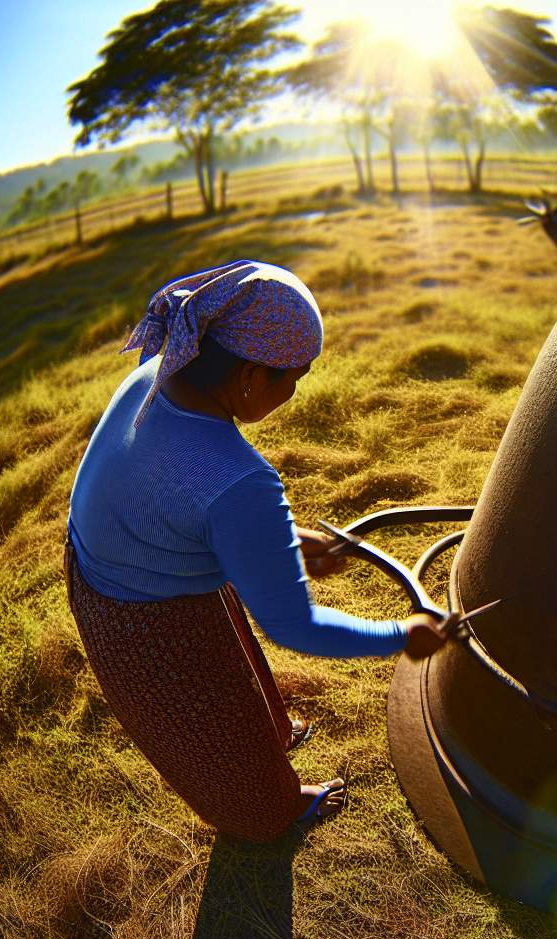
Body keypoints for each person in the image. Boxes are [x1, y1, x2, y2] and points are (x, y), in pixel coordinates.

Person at [66, 259, 452, 843]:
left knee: (233, 669)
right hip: (143, 621)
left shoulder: (163, 371)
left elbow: (174, 498)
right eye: (291, 378)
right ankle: (272, 811)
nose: (294, 394)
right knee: (213, 726)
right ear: (248, 374)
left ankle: (269, 733)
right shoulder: (238, 478)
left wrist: (281, 543)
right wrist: (405, 635)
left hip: (104, 558)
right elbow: (295, 627)